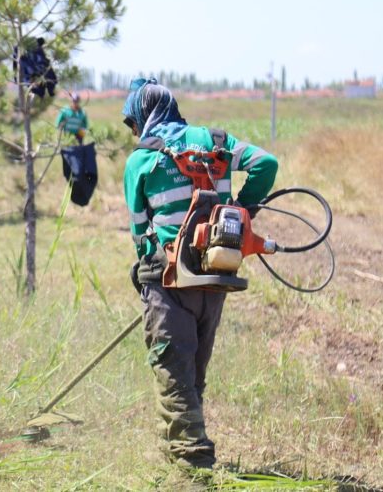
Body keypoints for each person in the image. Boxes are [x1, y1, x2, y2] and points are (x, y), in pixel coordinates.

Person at [121, 77, 277, 472]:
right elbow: (265, 164)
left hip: (170, 281)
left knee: (174, 373)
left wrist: (143, 269)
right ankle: (179, 455)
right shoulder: (215, 141)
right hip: (215, 275)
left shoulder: (140, 161)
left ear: (142, 117)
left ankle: (194, 466)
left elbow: (140, 230)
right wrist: (241, 213)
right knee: (191, 377)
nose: (135, 132)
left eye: (133, 123)